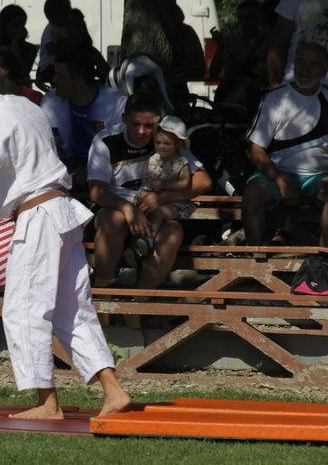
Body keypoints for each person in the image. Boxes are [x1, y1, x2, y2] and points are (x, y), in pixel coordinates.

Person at [0, 67, 131, 419]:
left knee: (23, 309)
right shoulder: (21, 106)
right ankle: (113, 390)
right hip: (61, 213)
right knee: (72, 310)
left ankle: (47, 403)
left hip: (39, 217)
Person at [88, 92, 212, 289]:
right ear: (124, 119)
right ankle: (104, 289)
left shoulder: (166, 139)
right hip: (115, 207)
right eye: (136, 124)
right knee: (114, 221)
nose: (142, 132)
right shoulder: (105, 141)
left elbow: (204, 181)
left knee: (173, 233)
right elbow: (96, 191)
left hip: (155, 210)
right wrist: (128, 209)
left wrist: (163, 197)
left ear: (158, 122)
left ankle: (141, 297)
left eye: (149, 126)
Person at [243, 41, 328, 247]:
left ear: (324, 70)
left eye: (313, 64)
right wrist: (280, 180)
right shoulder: (274, 98)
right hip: (277, 172)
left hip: (317, 176)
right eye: (300, 62)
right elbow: (255, 149)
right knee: (252, 193)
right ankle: (255, 258)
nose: (305, 69)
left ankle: (323, 259)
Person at [41, 48, 126, 171]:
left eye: (60, 76)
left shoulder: (117, 103)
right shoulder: (50, 101)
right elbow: (46, 148)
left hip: (105, 174)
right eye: (55, 73)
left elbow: (121, 152)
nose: (54, 79)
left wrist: (90, 172)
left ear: (79, 81)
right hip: (62, 174)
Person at [127, 116, 196, 264]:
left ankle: (149, 239)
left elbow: (185, 183)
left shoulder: (181, 162)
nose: (162, 146)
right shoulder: (153, 159)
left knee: (158, 213)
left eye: (167, 143)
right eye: (158, 142)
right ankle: (135, 248)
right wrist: (145, 192)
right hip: (152, 197)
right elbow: (147, 178)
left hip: (173, 203)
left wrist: (166, 185)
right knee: (139, 213)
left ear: (178, 144)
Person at [36, 0, 72, 88]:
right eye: (66, 13)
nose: (68, 16)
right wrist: (65, 47)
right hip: (49, 66)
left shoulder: (62, 27)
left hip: (56, 65)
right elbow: (50, 49)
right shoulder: (51, 29)